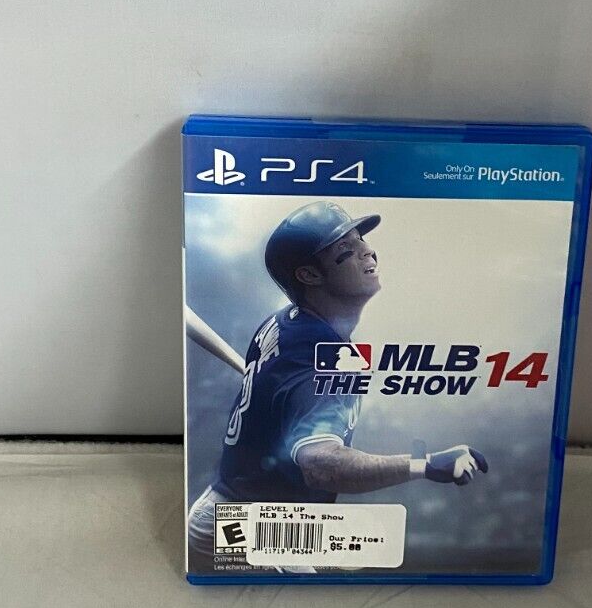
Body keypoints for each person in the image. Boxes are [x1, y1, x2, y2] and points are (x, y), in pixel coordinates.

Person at [187, 200, 487, 569]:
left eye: (362, 240)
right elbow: (320, 465)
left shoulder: (284, 321)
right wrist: (424, 465)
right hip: (248, 523)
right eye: (346, 250)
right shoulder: (324, 357)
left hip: (244, 511)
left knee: (350, 563)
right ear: (309, 275)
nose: (368, 252)